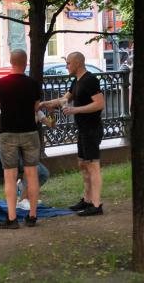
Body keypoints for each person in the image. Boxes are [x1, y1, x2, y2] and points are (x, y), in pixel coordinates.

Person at [40, 51, 105, 216]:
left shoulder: (90, 80)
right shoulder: (76, 81)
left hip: (91, 129)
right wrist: (45, 104)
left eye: (68, 63)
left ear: (77, 63)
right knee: (83, 165)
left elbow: (99, 104)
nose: (66, 66)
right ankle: (87, 200)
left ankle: (96, 205)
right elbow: (64, 100)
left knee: (93, 166)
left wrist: (76, 110)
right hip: (82, 129)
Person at [0, 49, 41, 229]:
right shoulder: (33, 84)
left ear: (11, 61)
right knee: (32, 174)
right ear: (26, 62)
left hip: (8, 133)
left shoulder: (0, 83)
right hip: (30, 132)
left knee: (10, 176)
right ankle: (33, 216)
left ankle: (12, 218)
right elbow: (36, 106)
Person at [0, 109, 54, 210]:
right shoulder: (16, 110)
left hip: (26, 151)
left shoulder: (37, 111)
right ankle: (22, 200)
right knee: (34, 170)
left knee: (43, 173)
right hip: (14, 151)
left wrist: (51, 112)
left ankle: (27, 195)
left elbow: (51, 124)